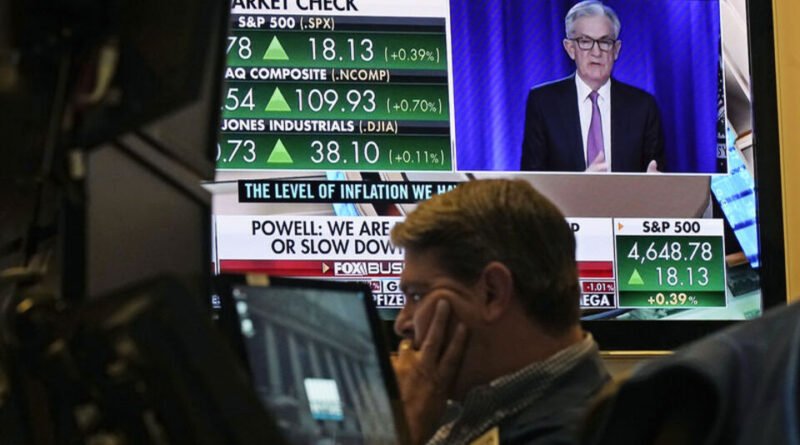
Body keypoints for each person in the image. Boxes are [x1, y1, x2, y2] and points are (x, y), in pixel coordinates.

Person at [390, 179, 610, 445]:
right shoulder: (475, 406)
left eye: (417, 295)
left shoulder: (567, 435)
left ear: (492, 292)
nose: (402, 323)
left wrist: (396, 434)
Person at [520, 0, 665, 173]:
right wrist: (582, 185)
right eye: (585, 41)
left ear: (616, 50)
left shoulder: (643, 106)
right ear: (570, 48)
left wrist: (655, 182)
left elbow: (657, 175)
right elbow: (532, 181)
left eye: (605, 42)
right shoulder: (543, 103)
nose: (596, 52)